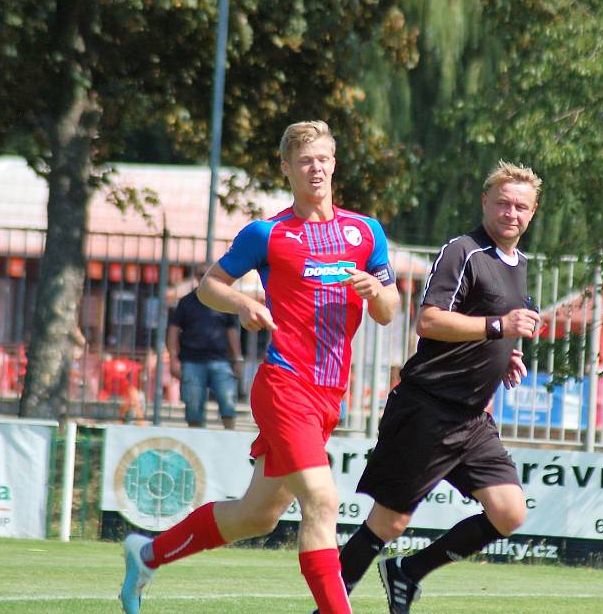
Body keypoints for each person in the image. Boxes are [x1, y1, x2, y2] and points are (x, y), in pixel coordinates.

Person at [119, 120, 400, 614]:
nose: (316, 169)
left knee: (257, 516)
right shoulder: (268, 234)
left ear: (334, 164)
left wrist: (378, 292)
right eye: (305, 161)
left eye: (323, 159)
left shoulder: (365, 231)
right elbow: (209, 286)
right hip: (283, 384)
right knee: (322, 498)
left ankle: (147, 554)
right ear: (287, 168)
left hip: (329, 394)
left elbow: (389, 311)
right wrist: (242, 305)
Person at [326, 161, 542, 614]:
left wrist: (505, 355)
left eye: (521, 206)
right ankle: (326, 608)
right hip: (428, 409)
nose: (511, 212)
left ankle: (407, 573)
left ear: (533, 211)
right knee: (389, 522)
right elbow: (429, 320)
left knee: (509, 512)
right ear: (485, 202)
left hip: (473, 420)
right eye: (502, 202)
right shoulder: (462, 252)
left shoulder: (520, 264)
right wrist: (499, 329)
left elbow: (489, 329)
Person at [167, 264, 243, 429]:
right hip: (192, 360)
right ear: (196, 276)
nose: (204, 277)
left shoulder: (223, 301)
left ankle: (229, 439)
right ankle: (195, 442)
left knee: (228, 403)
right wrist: (173, 359)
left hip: (221, 360)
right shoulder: (186, 302)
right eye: (201, 274)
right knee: (193, 406)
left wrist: (237, 358)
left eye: (207, 274)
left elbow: (232, 332)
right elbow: (173, 330)